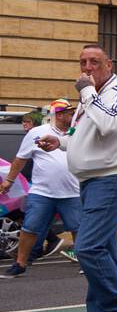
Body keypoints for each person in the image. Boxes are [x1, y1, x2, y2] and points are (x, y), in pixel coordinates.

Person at [37, 46, 117, 312]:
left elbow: (109, 125)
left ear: (109, 64)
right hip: (92, 181)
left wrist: (86, 94)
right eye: (83, 63)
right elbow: (83, 139)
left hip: (111, 179)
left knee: (88, 249)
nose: (87, 68)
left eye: (94, 62)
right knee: (104, 252)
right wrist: (58, 143)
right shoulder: (90, 100)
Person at [1, 99, 80, 279]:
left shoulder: (76, 132)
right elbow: (21, 158)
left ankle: (85, 263)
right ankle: (20, 264)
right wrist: (9, 181)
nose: (72, 115)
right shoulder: (38, 132)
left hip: (72, 192)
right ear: (59, 115)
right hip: (42, 192)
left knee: (78, 228)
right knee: (30, 228)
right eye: (69, 113)